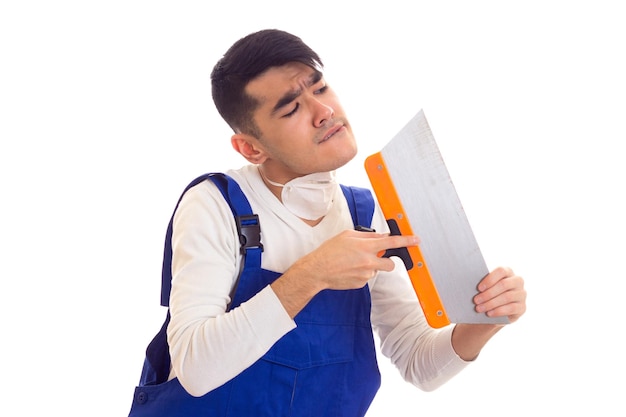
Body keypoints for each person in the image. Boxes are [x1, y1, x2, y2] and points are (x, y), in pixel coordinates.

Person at [129, 29, 526, 417]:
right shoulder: (216, 205)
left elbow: (417, 360)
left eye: (320, 89)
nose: (325, 113)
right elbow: (196, 369)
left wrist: (485, 321)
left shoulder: (361, 214)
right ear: (251, 147)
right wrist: (314, 272)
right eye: (291, 108)